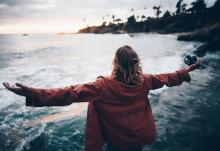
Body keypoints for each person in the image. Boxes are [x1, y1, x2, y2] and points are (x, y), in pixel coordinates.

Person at [2, 45, 200, 151]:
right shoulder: (145, 80)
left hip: (118, 142)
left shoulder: (102, 86)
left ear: (116, 63)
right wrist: (186, 70)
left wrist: (29, 92)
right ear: (136, 63)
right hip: (139, 137)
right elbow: (168, 77)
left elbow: (67, 93)